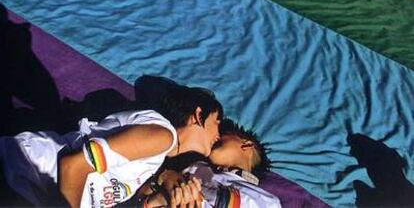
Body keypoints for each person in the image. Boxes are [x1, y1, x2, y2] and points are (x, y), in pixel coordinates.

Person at [0, 84, 222, 207]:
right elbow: (73, 166)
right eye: (217, 123)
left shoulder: (156, 155)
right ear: (198, 116)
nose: (218, 136)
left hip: (27, 187)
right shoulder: (162, 136)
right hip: (20, 173)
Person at [134, 119, 281, 208]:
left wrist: (176, 187)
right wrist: (166, 177)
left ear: (247, 145)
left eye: (222, 137)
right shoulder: (196, 166)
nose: (216, 138)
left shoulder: (268, 202)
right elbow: (140, 194)